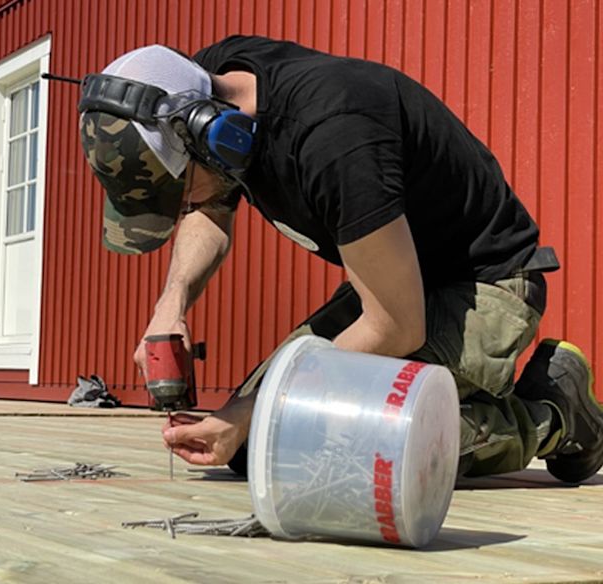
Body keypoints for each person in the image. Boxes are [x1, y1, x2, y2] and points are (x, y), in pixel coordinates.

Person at [78, 35, 603, 483]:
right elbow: (211, 204)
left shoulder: (338, 138)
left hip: (482, 285)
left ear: (213, 133)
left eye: (181, 191)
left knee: (344, 450)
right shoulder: (212, 82)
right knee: (250, 446)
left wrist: (249, 408)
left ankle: (555, 413)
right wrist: (170, 308)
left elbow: (396, 325)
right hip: (394, 282)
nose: (187, 206)